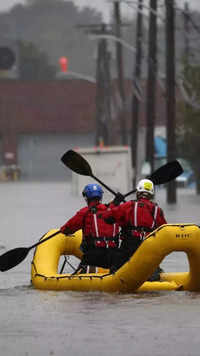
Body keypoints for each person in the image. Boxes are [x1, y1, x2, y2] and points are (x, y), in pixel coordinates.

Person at [101, 179, 167, 280]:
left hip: (130, 246)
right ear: (151, 194)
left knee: (115, 269)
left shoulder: (129, 206)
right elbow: (164, 231)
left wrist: (115, 202)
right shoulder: (158, 210)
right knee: (153, 267)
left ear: (138, 192)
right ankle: (154, 275)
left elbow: (107, 217)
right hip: (150, 247)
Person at [60, 183, 121, 274]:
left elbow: (67, 229)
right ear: (100, 196)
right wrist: (117, 202)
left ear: (86, 197)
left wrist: (63, 231)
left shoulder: (84, 212)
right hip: (113, 255)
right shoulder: (114, 210)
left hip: (93, 255)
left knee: (81, 271)